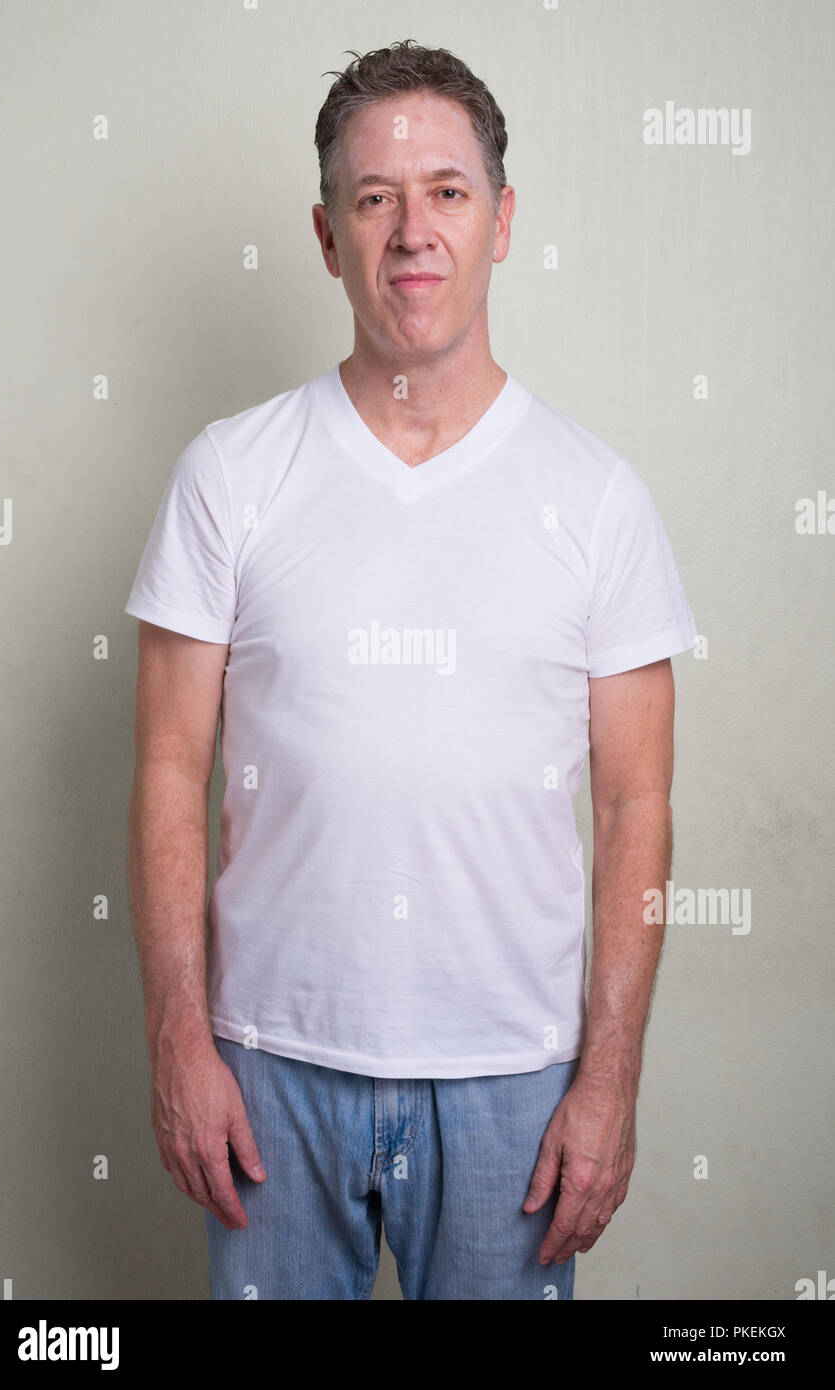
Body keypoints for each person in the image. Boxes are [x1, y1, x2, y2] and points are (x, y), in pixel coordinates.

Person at [125, 39, 697, 1301]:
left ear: (502, 223)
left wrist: (609, 1080)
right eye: (373, 198)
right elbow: (170, 766)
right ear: (329, 236)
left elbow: (635, 806)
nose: (411, 231)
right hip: (268, 1074)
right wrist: (180, 1035)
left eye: (446, 190)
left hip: (518, 1080)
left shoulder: (596, 499)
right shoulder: (232, 472)